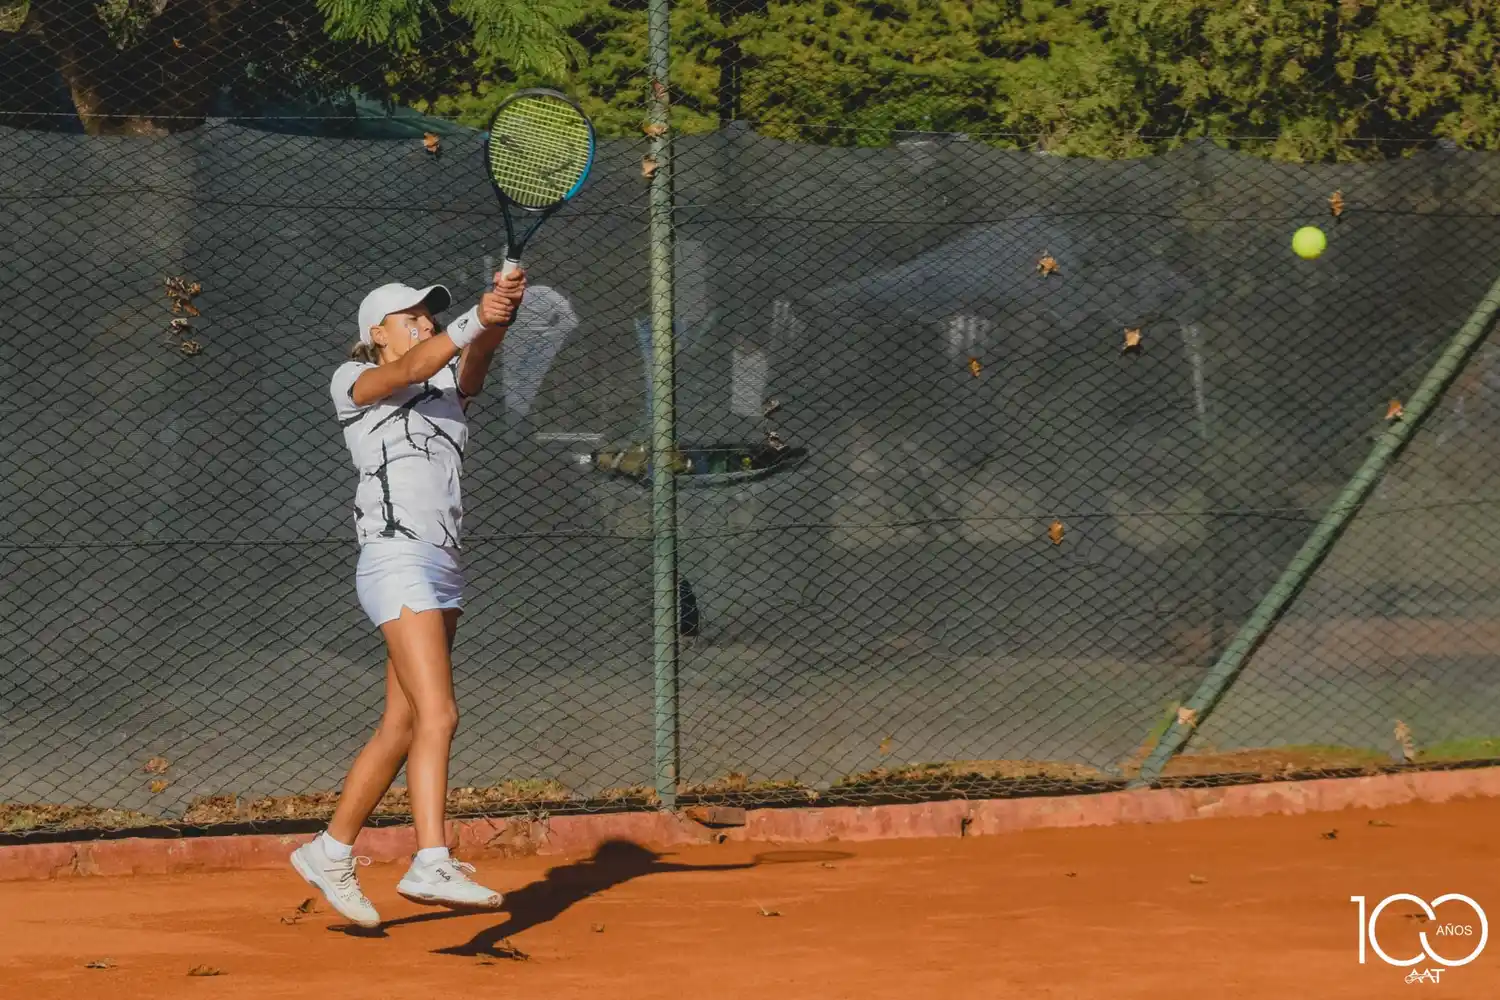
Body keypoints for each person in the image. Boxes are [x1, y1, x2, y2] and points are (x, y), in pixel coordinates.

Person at [290, 270, 526, 928]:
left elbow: (470, 358)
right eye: (410, 315)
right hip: (395, 558)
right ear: (377, 333)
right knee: (441, 713)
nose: (423, 321)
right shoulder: (354, 381)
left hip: (446, 567)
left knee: (401, 727)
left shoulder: (448, 387)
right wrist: (470, 320)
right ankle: (430, 857)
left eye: (429, 313)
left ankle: (329, 851)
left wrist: (500, 310)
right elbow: (418, 364)